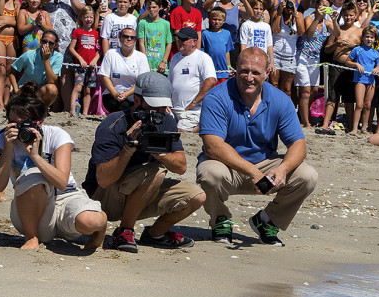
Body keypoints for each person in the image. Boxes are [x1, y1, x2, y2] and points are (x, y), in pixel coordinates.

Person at [195, 46, 317, 247]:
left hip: (264, 164)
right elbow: (213, 146)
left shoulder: (281, 100)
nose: (248, 77)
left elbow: (298, 144)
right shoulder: (216, 97)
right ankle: (220, 219)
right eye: (244, 70)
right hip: (227, 166)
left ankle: (268, 220)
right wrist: (252, 172)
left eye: (255, 73)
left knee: (308, 176)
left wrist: (283, 169)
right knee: (208, 173)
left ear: (267, 73)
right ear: (235, 69)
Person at [84, 72, 204, 251]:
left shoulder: (166, 121)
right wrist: (129, 146)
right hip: (103, 198)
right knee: (156, 172)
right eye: (155, 107)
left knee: (196, 196)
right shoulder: (114, 124)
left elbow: (181, 167)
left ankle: (156, 234)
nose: (160, 112)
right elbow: (103, 180)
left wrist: (161, 154)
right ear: (138, 101)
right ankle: (125, 231)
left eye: (164, 107)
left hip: (141, 192)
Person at [0, 82, 106, 250]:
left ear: (40, 122)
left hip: (66, 197)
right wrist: (8, 148)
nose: (20, 129)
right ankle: (31, 237)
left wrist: (35, 155)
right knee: (33, 176)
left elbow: (61, 182)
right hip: (31, 207)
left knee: (90, 221)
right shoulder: (1, 138)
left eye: (25, 124)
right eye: (14, 124)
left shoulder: (57, 135)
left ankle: (101, 225)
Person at [166, 26, 215, 132]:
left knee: (180, 133)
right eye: (178, 39)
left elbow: (211, 80)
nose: (179, 42)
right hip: (173, 109)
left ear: (194, 42)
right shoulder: (175, 57)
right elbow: (169, 82)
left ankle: (203, 126)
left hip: (193, 110)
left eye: (183, 40)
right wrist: (166, 102)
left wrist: (195, 102)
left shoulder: (203, 57)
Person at [97, 25, 148, 113]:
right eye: (126, 36)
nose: (129, 39)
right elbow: (104, 76)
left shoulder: (141, 57)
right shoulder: (111, 54)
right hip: (112, 95)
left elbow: (142, 81)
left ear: (135, 41)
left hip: (133, 97)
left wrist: (126, 94)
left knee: (126, 107)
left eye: (132, 37)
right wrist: (115, 94)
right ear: (120, 39)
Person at [9, 27, 61, 107]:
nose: (47, 45)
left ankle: (43, 109)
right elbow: (11, 71)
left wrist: (46, 59)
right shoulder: (29, 54)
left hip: (40, 91)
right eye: (44, 41)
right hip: (26, 89)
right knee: (15, 107)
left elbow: (51, 80)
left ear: (55, 45)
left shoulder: (58, 57)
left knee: (52, 89)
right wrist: (15, 89)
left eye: (51, 43)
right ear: (40, 42)